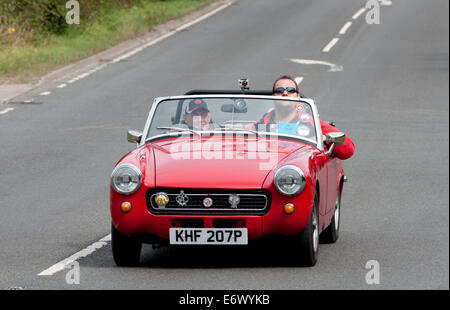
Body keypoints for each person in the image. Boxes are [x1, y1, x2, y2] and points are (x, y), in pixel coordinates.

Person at [254, 75, 355, 160]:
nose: (285, 93)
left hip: (297, 173)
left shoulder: (311, 123)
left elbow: (348, 148)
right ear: (273, 97)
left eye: (290, 90)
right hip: (265, 167)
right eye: (279, 90)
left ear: (298, 96)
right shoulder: (261, 123)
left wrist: (324, 138)